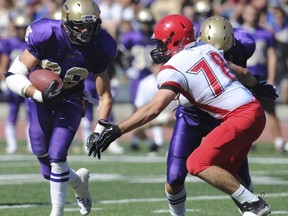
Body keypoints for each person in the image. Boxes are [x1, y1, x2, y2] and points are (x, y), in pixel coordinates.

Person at [86, 14, 272, 216]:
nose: (158, 49)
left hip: (237, 117)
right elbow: (240, 72)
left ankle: (254, 204)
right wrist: (258, 84)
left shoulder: (174, 68)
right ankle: (251, 207)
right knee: (212, 174)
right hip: (251, 111)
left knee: (197, 163)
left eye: (162, 43)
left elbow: (154, 108)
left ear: (177, 41)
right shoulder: (207, 49)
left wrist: (117, 130)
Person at [4, 0, 117, 215]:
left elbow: (105, 95)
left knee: (58, 155)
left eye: (90, 25)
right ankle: (78, 182)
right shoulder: (46, 33)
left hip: (72, 98)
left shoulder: (102, 44)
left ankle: (57, 212)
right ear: (65, 23)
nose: (85, 31)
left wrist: (100, 129)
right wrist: (38, 94)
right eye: (79, 26)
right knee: (46, 163)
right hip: (39, 98)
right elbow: (12, 75)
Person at [240, 4, 287, 152]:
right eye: (248, 12)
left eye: (254, 13)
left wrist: (272, 77)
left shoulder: (266, 33)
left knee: (270, 109)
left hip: (262, 77)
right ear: (244, 14)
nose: (251, 15)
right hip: (243, 78)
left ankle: (279, 141)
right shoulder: (237, 32)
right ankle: (246, 140)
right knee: (244, 111)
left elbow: (272, 56)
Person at [0, 14, 32, 154]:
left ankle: (32, 144)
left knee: (31, 114)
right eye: (19, 28)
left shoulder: (31, 42)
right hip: (14, 82)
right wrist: (3, 81)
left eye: (23, 28)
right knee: (12, 114)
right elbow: (4, 64)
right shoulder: (9, 43)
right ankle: (12, 145)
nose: (21, 31)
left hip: (29, 83)